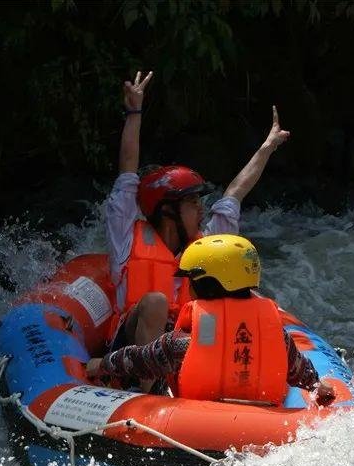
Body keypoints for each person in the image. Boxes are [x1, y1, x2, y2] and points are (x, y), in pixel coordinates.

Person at [106, 70, 292, 379]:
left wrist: (267, 147)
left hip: (185, 348)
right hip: (129, 354)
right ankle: (146, 390)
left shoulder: (207, 244)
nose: (201, 209)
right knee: (155, 302)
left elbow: (235, 192)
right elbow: (127, 170)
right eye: (192, 203)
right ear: (167, 212)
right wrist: (135, 112)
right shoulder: (125, 240)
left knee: (250, 302)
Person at [88, 235, 336, 405]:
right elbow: (300, 373)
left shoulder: (183, 341)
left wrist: (102, 364)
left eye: (191, 281)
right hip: (260, 423)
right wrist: (318, 385)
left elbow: (140, 360)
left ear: (205, 284)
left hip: (190, 425)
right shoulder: (276, 336)